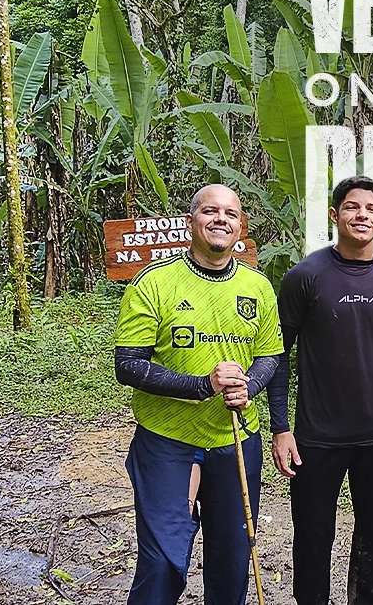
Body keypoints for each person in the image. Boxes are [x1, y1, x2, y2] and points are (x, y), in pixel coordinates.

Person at [114, 184, 284, 605]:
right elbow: (129, 364)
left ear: (241, 226)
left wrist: (249, 386)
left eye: (230, 213)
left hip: (236, 439)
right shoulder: (154, 282)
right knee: (163, 562)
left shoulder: (258, 287)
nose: (221, 219)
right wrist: (202, 386)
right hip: (167, 441)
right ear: (191, 222)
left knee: (232, 561)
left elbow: (270, 355)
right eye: (210, 211)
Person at [269, 175, 373, 605]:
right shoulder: (305, 277)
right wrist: (280, 428)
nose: (362, 215)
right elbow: (278, 355)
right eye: (352, 207)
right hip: (317, 436)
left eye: (371, 209)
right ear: (334, 215)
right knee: (313, 534)